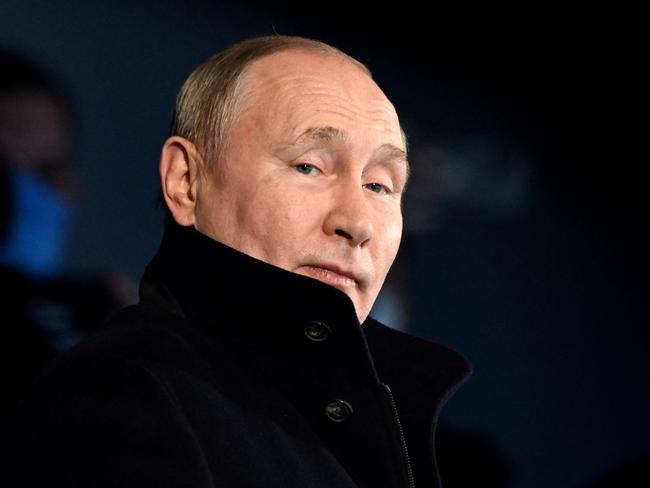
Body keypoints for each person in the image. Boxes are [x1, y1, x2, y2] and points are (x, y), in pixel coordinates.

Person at [2, 35, 471, 487]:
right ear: (186, 181)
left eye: (380, 186)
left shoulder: (399, 428)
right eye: (308, 166)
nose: (358, 222)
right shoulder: (124, 393)